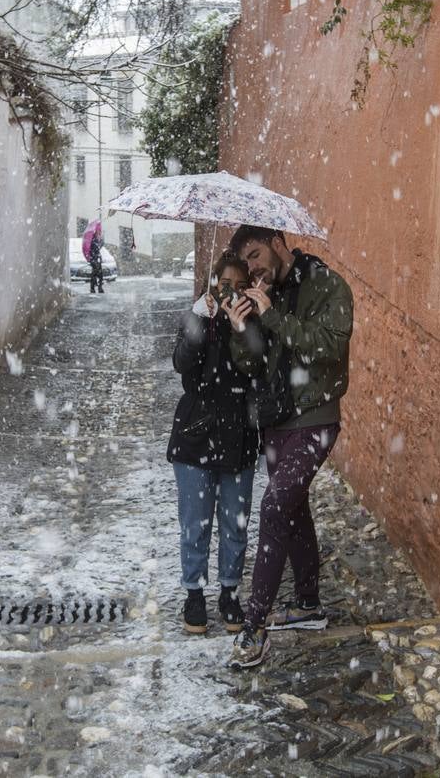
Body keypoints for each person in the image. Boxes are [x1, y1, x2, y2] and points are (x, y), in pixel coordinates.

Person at [221, 225, 353, 669]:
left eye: (257, 255)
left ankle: (253, 627)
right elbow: (255, 363)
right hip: (276, 422)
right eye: (247, 260)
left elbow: (329, 348)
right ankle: (309, 605)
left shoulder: (327, 286)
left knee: (276, 508)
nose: (253, 267)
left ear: (279, 244)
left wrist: (274, 315)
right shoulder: (264, 291)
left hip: (315, 418)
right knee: (294, 510)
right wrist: (242, 329)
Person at [168, 252, 259, 634]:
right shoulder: (200, 317)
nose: (232, 294)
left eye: (241, 287)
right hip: (195, 434)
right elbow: (181, 363)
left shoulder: (254, 324)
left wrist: (243, 329)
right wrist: (197, 318)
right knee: (195, 522)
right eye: (226, 286)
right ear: (214, 283)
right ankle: (194, 593)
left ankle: (229, 592)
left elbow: (258, 365)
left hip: (239, 434)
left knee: (234, 522)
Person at [87, 224, 105, 294]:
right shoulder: (93, 240)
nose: (99, 233)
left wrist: (101, 242)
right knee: (95, 274)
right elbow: (93, 250)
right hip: (94, 259)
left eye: (100, 232)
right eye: (98, 232)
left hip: (97, 259)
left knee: (100, 274)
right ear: (95, 233)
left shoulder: (97, 240)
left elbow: (99, 248)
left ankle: (98, 288)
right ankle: (93, 288)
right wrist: (94, 259)